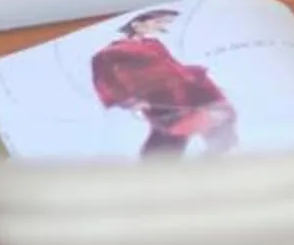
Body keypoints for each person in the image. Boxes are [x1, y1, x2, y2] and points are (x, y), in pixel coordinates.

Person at [88, 11, 238, 156]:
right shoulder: (109, 52)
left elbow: (172, 64)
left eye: (163, 23)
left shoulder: (154, 43)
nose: (160, 26)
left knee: (220, 116)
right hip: (157, 95)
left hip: (186, 87)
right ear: (136, 24)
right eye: (157, 22)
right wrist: (127, 100)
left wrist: (193, 77)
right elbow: (103, 79)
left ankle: (217, 156)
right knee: (174, 130)